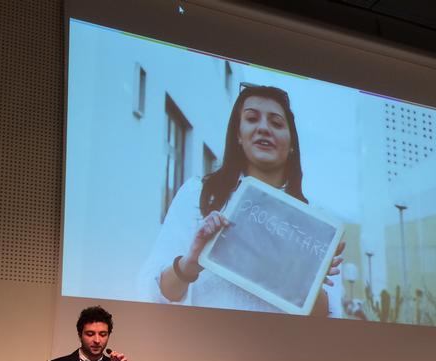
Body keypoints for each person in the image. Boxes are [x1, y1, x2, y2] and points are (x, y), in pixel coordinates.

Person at [139, 84, 345, 315]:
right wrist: (190, 264)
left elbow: (329, 315)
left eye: (276, 123)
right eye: (252, 119)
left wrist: (300, 279)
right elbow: (152, 292)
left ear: (292, 145)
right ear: (238, 135)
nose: (263, 128)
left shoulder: (315, 224)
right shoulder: (198, 194)